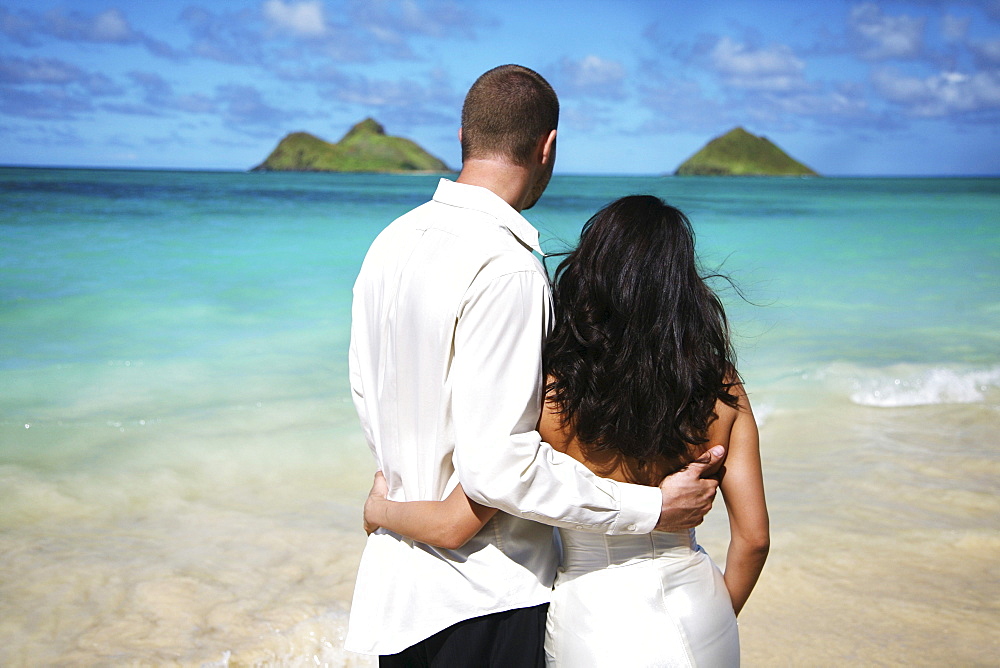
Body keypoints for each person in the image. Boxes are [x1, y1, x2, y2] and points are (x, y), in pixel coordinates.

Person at [345, 64, 725, 666]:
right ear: (547, 146)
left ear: (464, 136)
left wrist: (390, 509)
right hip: (487, 599)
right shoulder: (509, 266)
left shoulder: (389, 243)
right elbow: (499, 467)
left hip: (398, 599)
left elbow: (368, 396)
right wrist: (650, 508)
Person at [363, 196, 770, 666]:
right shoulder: (721, 385)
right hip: (700, 608)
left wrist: (381, 509)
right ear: (681, 285)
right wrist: (716, 613)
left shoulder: (555, 395)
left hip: (595, 620)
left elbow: (456, 523)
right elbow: (754, 539)